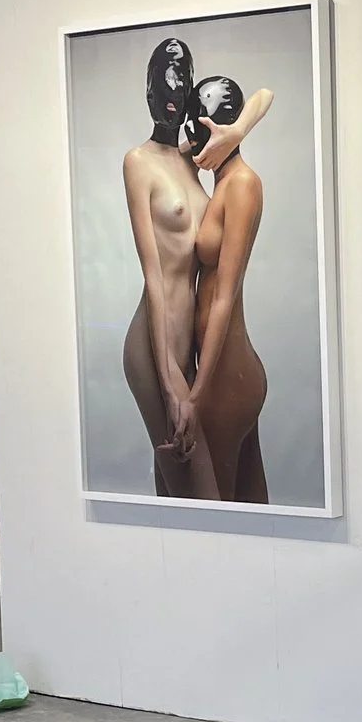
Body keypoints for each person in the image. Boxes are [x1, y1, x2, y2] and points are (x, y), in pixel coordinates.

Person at [123, 37, 214, 496]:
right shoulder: (138, 163)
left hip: (188, 343)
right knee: (196, 493)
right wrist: (170, 382)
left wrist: (233, 132)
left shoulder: (192, 161)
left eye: (185, 75)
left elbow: (261, 103)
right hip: (153, 340)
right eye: (166, 75)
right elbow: (154, 277)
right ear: (149, 91)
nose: (176, 86)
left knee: (180, 492)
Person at [183, 74, 274, 503]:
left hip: (225, 374)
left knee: (218, 513)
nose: (192, 135)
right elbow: (262, 97)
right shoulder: (221, 180)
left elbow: (224, 296)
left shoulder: (241, 184)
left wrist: (196, 393)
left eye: (197, 126)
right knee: (248, 505)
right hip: (224, 368)